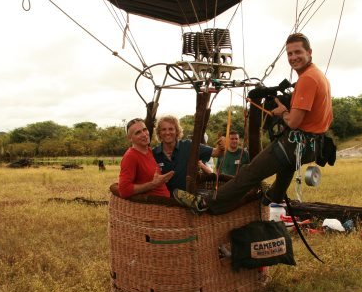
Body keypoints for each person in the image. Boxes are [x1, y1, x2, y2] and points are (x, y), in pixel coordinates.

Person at [173, 33, 333, 214]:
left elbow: (294, 122)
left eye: (298, 52)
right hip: (313, 145)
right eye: (289, 54)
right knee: (286, 167)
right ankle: (273, 196)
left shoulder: (307, 78)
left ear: (309, 52)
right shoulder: (319, 75)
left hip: (296, 143)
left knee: (249, 173)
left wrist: (283, 113)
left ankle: (204, 203)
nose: (293, 58)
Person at [152, 115, 225, 192]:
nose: (167, 132)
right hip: (161, 201)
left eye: (171, 129)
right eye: (163, 129)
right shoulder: (154, 153)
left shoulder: (188, 146)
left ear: (177, 131)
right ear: (159, 133)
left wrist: (222, 144)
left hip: (187, 200)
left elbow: (217, 153)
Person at [118, 118, 174, 198]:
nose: (144, 134)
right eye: (138, 133)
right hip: (154, 207)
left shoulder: (150, 151)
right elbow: (124, 190)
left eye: (144, 129)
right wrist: (153, 184)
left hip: (165, 203)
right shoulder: (130, 157)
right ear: (129, 138)